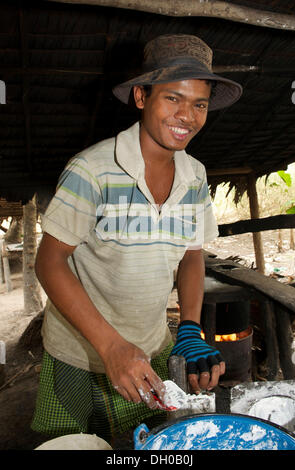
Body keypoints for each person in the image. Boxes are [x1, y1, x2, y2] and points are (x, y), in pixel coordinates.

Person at [31, 34, 242, 443]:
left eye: (199, 104)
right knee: (74, 441)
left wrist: (190, 329)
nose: (188, 116)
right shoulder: (92, 170)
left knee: (145, 441)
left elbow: (192, 254)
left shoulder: (195, 175)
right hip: (78, 351)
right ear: (142, 97)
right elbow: (49, 262)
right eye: (173, 99)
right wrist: (110, 347)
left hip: (149, 342)